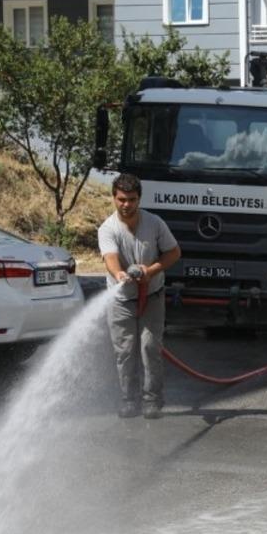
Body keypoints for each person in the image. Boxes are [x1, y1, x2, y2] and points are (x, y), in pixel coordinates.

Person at [98, 173, 182, 419]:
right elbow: (110, 258)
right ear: (114, 198)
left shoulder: (155, 223)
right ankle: (129, 400)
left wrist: (150, 271)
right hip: (120, 300)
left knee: (149, 347)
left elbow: (174, 253)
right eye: (122, 199)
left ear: (139, 199)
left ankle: (152, 400)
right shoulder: (108, 228)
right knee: (124, 351)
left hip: (152, 295)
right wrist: (120, 275)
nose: (126, 204)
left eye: (132, 199)